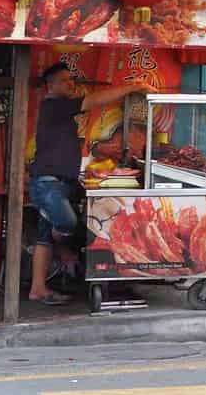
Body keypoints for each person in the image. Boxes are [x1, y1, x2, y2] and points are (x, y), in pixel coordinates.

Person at [29, 64, 145, 306]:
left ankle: (38, 289)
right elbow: (94, 100)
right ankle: (66, 253)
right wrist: (132, 87)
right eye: (64, 81)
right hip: (49, 184)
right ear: (50, 86)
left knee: (45, 237)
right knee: (68, 224)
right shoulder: (54, 105)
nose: (70, 84)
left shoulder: (59, 110)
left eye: (72, 79)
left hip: (58, 183)